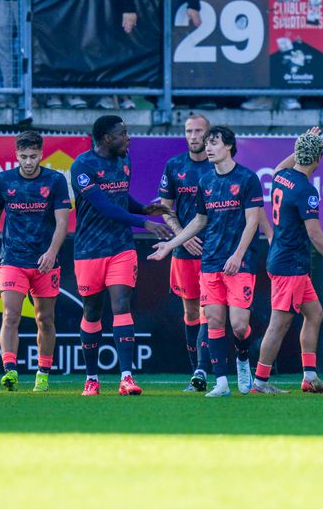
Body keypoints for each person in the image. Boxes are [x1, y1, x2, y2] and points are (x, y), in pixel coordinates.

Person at [150, 125, 264, 397]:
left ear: (229, 146)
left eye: (214, 143)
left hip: (240, 262)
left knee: (238, 325)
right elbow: (199, 220)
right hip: (210, 261)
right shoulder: (206, 181)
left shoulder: (248, 178)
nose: (208, 147)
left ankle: (243, 358)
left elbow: (253, 222)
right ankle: (222, 383)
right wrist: (170, 244)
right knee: (213, 321)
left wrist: (237, 255)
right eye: (207, 143)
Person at [69, 115, 172, 396]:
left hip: (121, 248)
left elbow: (120, 198)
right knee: (92, 311)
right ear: (106, 138)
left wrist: (144, 210)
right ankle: (92, 378)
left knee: (122, 305)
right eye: (122, 133)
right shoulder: (82, 166)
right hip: (89, 250)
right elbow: (103, 206)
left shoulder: (124, 160)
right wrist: (144, 223)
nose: (128, 138)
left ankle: (126, 378)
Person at [252, 129, 323, 394]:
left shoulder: (282, 176)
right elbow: (314, 233)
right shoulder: (306, 189)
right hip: (289, 265)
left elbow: (282, 164)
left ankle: (310, 377)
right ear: (319, 157)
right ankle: (260, 382)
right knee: (278, 324)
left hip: (287, 261)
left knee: (314, 314)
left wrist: (304, 143)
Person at [0, 130, 71, 392]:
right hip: (13, 259)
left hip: (45, 262)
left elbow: (62, 222)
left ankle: (42, 374)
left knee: (44, 319)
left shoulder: (55, 180)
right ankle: (10, 370)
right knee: (10, 315)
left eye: (33, 156)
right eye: (23, 157)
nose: (29, 162)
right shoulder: (3, 181)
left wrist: (52, 252)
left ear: (41, 154)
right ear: (16, 155)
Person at [154, 113, 215, 391]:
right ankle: (196, 372)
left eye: (198, 131)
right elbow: (165, 208)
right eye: (189, 131)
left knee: (208, 311)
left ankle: (204, 370)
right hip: (184, 252)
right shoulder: (174, 165)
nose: (193, 136)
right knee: (191, 313)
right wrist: (181, 237)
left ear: (209, 134)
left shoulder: (218, 166)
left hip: (214, 250)